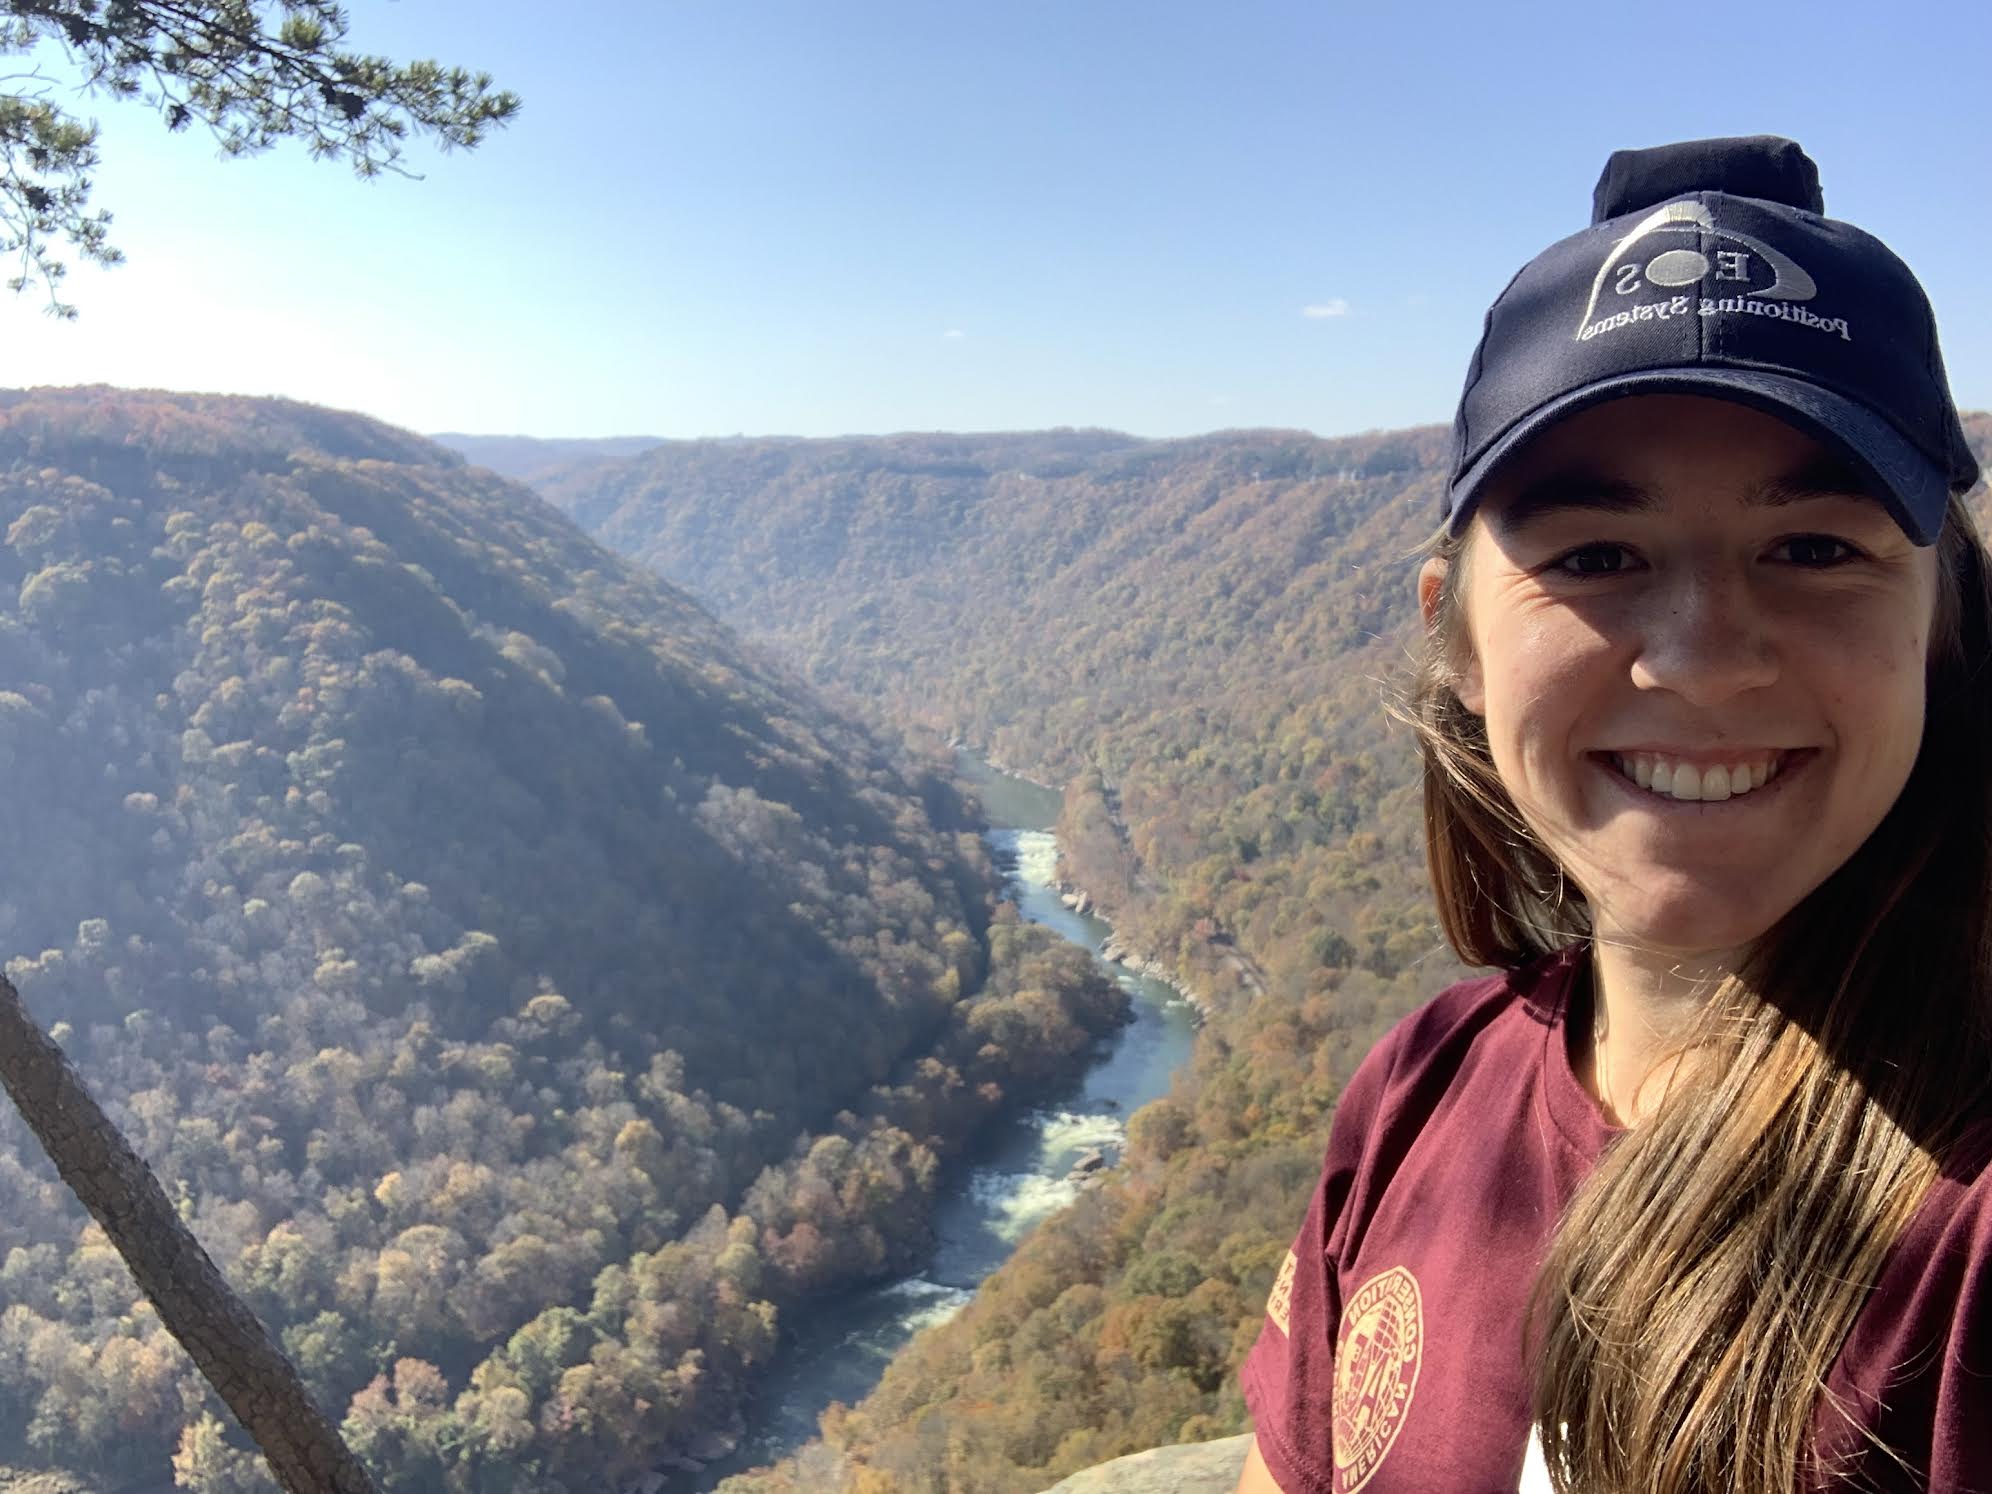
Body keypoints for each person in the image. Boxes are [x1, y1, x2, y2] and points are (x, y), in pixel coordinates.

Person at [1233, 136, 1992, 1494]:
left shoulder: (1967, 1227)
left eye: (1815, 547)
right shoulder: (1420, 1092)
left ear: (1942, 629)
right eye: (1595, 555)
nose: (1701, 654)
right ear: (1455, 640)